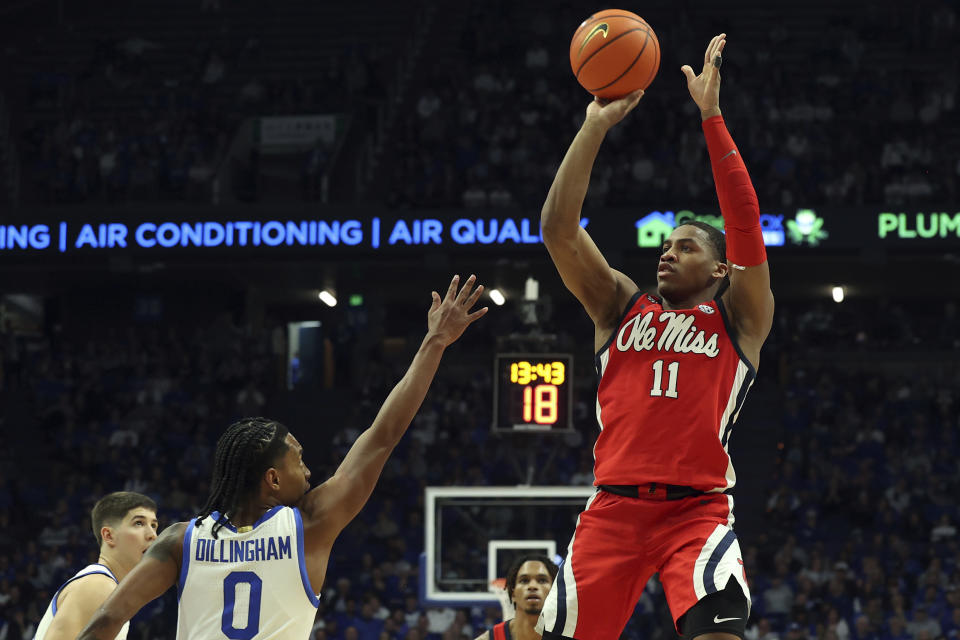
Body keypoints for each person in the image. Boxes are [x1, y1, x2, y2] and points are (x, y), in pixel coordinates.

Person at [77, 275, 487, 640]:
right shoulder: (309, 524)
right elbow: (383, 436)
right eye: (299, 459)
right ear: (272, 479)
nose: (309, 473)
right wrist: (435, 342)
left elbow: (105, 622)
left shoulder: (180, 540)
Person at [537, 35, 774, 640]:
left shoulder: (739, 318)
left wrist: (713, 119)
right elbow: (558, 230)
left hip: (696, 510)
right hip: (612, 509)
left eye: (686, 247)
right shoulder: (620, 305)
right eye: (665, 246)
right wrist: (593, 126)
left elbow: (744, 226)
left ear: (720, 270)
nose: (667, 255)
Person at [33, 492, 159, 640]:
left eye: (154, 526)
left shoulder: (108, 587)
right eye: (139, 523)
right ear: (108, 536)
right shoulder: (98, 586)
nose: (153, 535)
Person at [475, 555, 559, 640]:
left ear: (554, 592)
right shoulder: (491, 637)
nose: (532, 586)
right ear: (513, 593)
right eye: (524, 580)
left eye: (542, 580)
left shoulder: (569, 633)